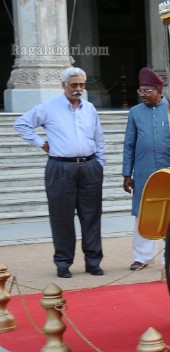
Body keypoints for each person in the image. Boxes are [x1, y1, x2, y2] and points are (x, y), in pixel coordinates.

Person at [13, 66, 106, 278]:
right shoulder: (48, 107)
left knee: (92, 216)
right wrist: (41, 143)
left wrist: (99, 163)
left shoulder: (89, 108)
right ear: (63, 85)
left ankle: (93, 261)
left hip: (89, 167)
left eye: (81, 85)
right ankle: (63, 262)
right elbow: (21, 124)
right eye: (74, 85)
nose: (78, 89)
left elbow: (99, 138)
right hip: (60, 168)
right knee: (61, 217)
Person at [122, 68, 170, 271]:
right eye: (141, 91)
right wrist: (127, 174)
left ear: (158, 90)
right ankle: (142, 257)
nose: (143, 94)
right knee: (142, 212)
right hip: (143, 171)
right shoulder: (135, 112)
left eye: (147, 91)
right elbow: (129, 144)